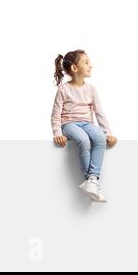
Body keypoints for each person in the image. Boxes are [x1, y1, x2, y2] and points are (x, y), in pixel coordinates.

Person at [51, 49, 117, 203]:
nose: (91, 65)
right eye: (86, 62)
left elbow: (99, 112)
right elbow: (55, 115)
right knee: (84, 140)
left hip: (87, 123)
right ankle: (90, 182)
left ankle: (92, 180)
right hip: (69, 124)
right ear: (75, 68)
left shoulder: (91, 89)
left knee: (99, 137)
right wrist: (57, 133)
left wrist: (108, 132)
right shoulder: (64, 89)